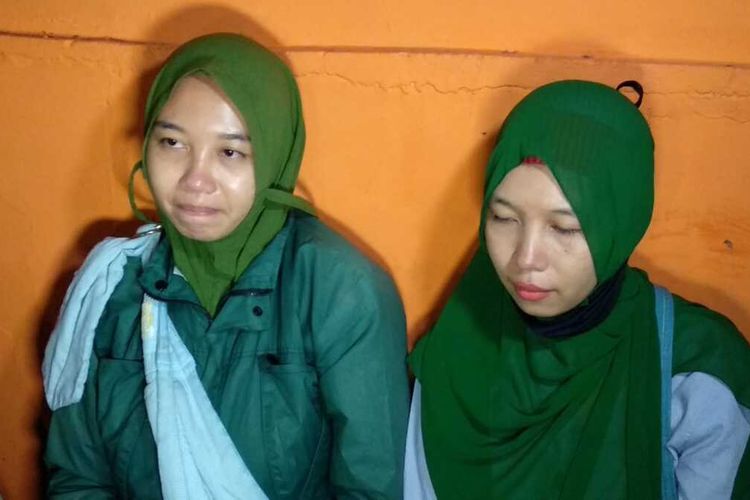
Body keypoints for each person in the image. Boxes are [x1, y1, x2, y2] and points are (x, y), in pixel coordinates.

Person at [42, 33, 409, 499]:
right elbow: (78, 478)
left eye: (230, 152)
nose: (195, 180)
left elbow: (369, 490)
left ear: (276, 155)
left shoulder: (341, 293)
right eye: (172, 142)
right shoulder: (112, 289)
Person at [404, 80, 750, 499]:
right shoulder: (456, 354)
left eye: (565, 227)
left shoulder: (697, 366)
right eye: (504, 218)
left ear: (622, 225)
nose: (525, 258)